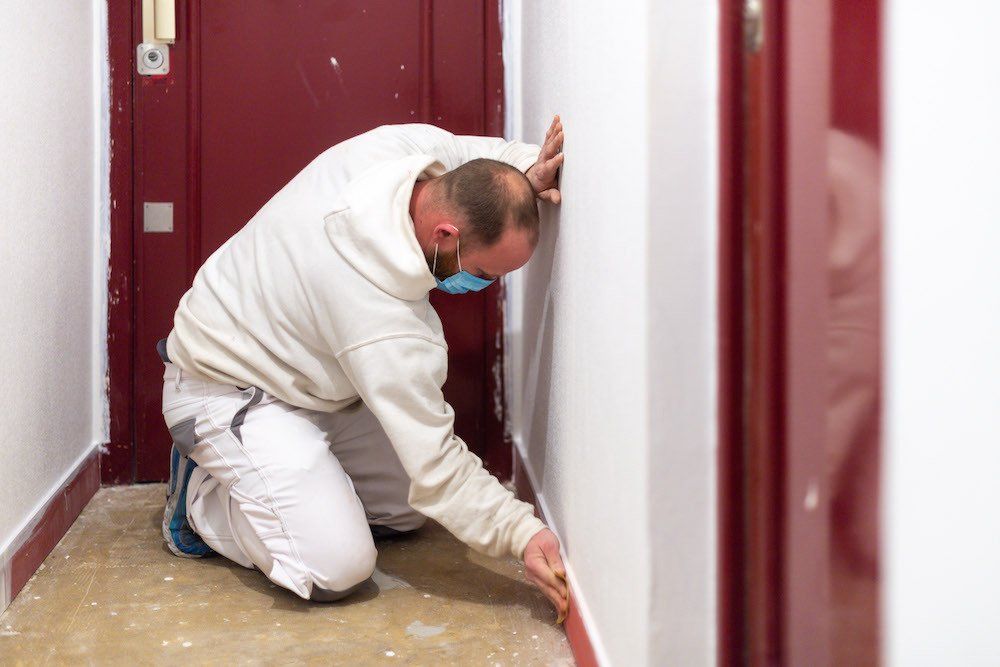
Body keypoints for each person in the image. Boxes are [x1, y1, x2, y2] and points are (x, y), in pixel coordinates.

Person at [156, 117, 569, 617]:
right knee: (335, 568)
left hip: (305, 378)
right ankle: (198, 505)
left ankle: (285, 481)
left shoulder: (401, 154)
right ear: (445, 234)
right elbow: (435, 463)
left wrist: (529, 167)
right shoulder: (378, 315)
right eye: (483, 273)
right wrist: (522, 532)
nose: (484, 286)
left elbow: (476, 155)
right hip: (225, 385)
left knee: (403, 511)